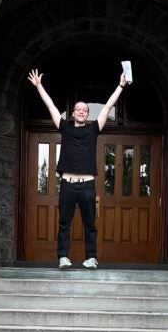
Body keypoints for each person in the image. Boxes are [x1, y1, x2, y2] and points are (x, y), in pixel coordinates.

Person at [28, 68, 129, 269]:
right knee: (64, 224)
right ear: (73, 113)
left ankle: (91, 258)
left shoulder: (94, 129)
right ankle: (63, 258)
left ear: (87, 114)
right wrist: (39, 86)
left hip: (87, 186)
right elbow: (51, 107)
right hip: (67, 184)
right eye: (78, 109)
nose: (81, 111)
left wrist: (120, 85)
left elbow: (108, 106)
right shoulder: (65, 127)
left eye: (85, 109)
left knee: (89, 225)